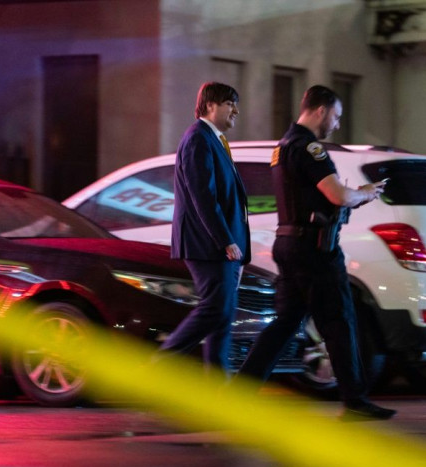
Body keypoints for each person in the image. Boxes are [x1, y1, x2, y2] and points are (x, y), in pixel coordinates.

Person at [236, 85, 396, 420]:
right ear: (320, 111)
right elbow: (337, 195)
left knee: (286, 322)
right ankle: (355, 401)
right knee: (339, 321)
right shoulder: (308, 148)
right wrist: (365, 193)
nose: (336, 124)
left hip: (290, 244)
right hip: (315, 248)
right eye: (336, 116)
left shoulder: (284, 147)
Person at [158, 81, 250, 371]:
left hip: (221, 246)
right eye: (229, 103)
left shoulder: (214, 139)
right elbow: (203, 195)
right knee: (216, 309)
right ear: (210, 105)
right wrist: (226, 240)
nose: (236, 109)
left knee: (222, 316)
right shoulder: (198, 138)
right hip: (207, 245)